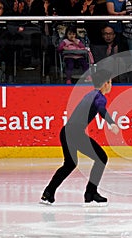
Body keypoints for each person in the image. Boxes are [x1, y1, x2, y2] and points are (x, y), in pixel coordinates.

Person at [41, 69, 119, 205]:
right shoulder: (99, 97)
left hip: (67, 132)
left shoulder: (90, 94)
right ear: (106, 83)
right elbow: (101, 109)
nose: (111, 85)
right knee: (101, 158)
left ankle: (49, 192)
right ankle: (91, 192)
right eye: (111, 82)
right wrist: (111, 123)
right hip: (74, 133)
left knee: (70, 164)